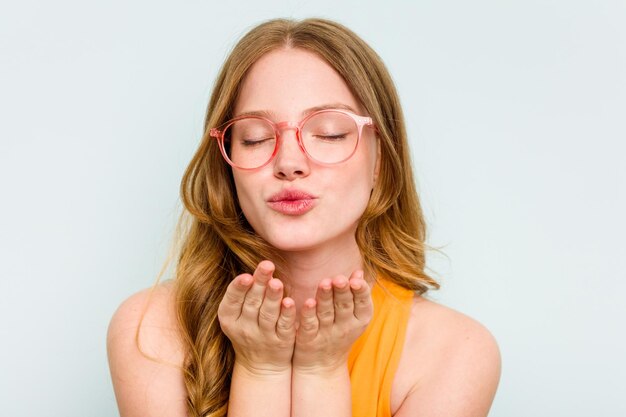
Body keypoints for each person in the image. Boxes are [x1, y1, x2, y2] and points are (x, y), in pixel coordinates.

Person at [107, 18, 501, 417]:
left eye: (329, 133)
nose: (289, 163)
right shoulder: (150, 330)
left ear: (381, 157)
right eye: (255, 138)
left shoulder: (455, 352)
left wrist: (321, 369)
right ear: (227, 162)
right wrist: (261, 368)